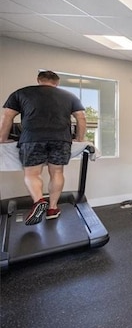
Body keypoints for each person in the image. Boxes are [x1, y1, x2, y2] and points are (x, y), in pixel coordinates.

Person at [0, 70, 86, 225]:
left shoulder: (21, 93)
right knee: (57, 172)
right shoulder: (69, 95)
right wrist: (79, 139)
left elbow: (7, 116)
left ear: (39, 80)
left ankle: (39, 201)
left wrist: (2, 138)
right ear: (57, 82)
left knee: (32, 174)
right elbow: (81, 117)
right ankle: (53, 208)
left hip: (32, 138)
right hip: (61, 139)